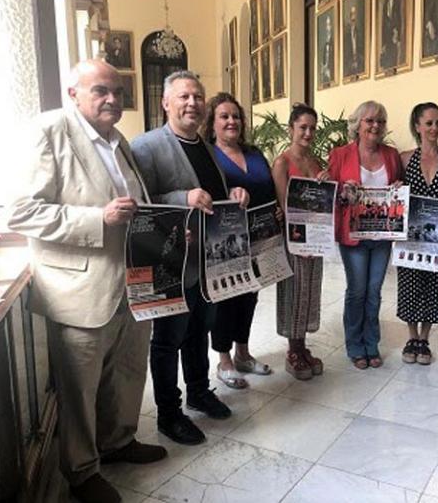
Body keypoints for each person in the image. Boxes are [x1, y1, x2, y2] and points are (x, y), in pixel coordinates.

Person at [7, 60, 166, 503]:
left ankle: (119, 441)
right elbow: (22, 211)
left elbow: (139, 207)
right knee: (78, 389)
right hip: (78, 288)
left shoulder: (119, 141)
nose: (112, 99)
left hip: (132, 283)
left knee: (129, 372)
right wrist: (98, 218)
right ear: (73, 93)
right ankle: (80, 470)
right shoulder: (49, 132)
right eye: (100, 90)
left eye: (117, 91)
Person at [132, 71, 249, 446]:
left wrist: (233, 193)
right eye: (183, 96)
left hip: (208, 261)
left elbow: (212, 196)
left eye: (198, 97)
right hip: (170, 262)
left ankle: (199, 391)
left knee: (199, 330)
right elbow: (141, 205)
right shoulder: (146, 146)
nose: (192, 103)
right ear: (166, 103)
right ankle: (169, 413)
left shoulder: (206, 147)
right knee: (168, 340)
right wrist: (182, 198)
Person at [202, 92, 276, 390]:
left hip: (258, 239)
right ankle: (224, 360)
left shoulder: (255, 153)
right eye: (224, 116)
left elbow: (268, 188)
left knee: (250, 296)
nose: (232, 121)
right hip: (225, 240)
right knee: (227, 298)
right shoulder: (207, 155)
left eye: (236, 116)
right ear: (213, 122)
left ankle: (243, 353)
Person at [328, 101, 402, 369]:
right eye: (369, 120)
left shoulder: (392, 155)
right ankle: (355, 346)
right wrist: (342, 191)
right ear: (357, 124)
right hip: (354, 235)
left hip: (382, 235)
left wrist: (397, 186)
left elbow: (399, 188)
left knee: (374, 291)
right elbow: (330, 194)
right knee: (357, 291)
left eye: (380, 121)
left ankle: (372, 344)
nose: (375, 126)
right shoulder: (340, 155)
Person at [397, 103, 438, 365]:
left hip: (437, 236)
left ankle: (425, 338)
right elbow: (395, 191)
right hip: (410, 235)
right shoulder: (404, 158)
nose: (434, 128)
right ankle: (411, 336)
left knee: (433, 284)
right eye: (429, 123)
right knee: (409, 282)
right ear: (417, 126)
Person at [272, 104, 329, 380]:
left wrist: (326, 185)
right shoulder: (282, 163)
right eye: (302, 127)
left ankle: (303, 346)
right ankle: (292, 350)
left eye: (312, 128)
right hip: (293, 239)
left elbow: (323, 202)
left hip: (315, 237)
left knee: (309, 292)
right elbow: (287, 206)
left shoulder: (316, 162)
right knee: (294, 292)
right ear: (291, 129)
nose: (308, 133)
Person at [380, 0, 403, 69]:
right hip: (387, 36)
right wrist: (382, 44)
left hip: (394, 35)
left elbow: (400, 17)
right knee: (387, 63)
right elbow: (383, 23)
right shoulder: (386, 1)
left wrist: (398, 35)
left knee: (394, 60)